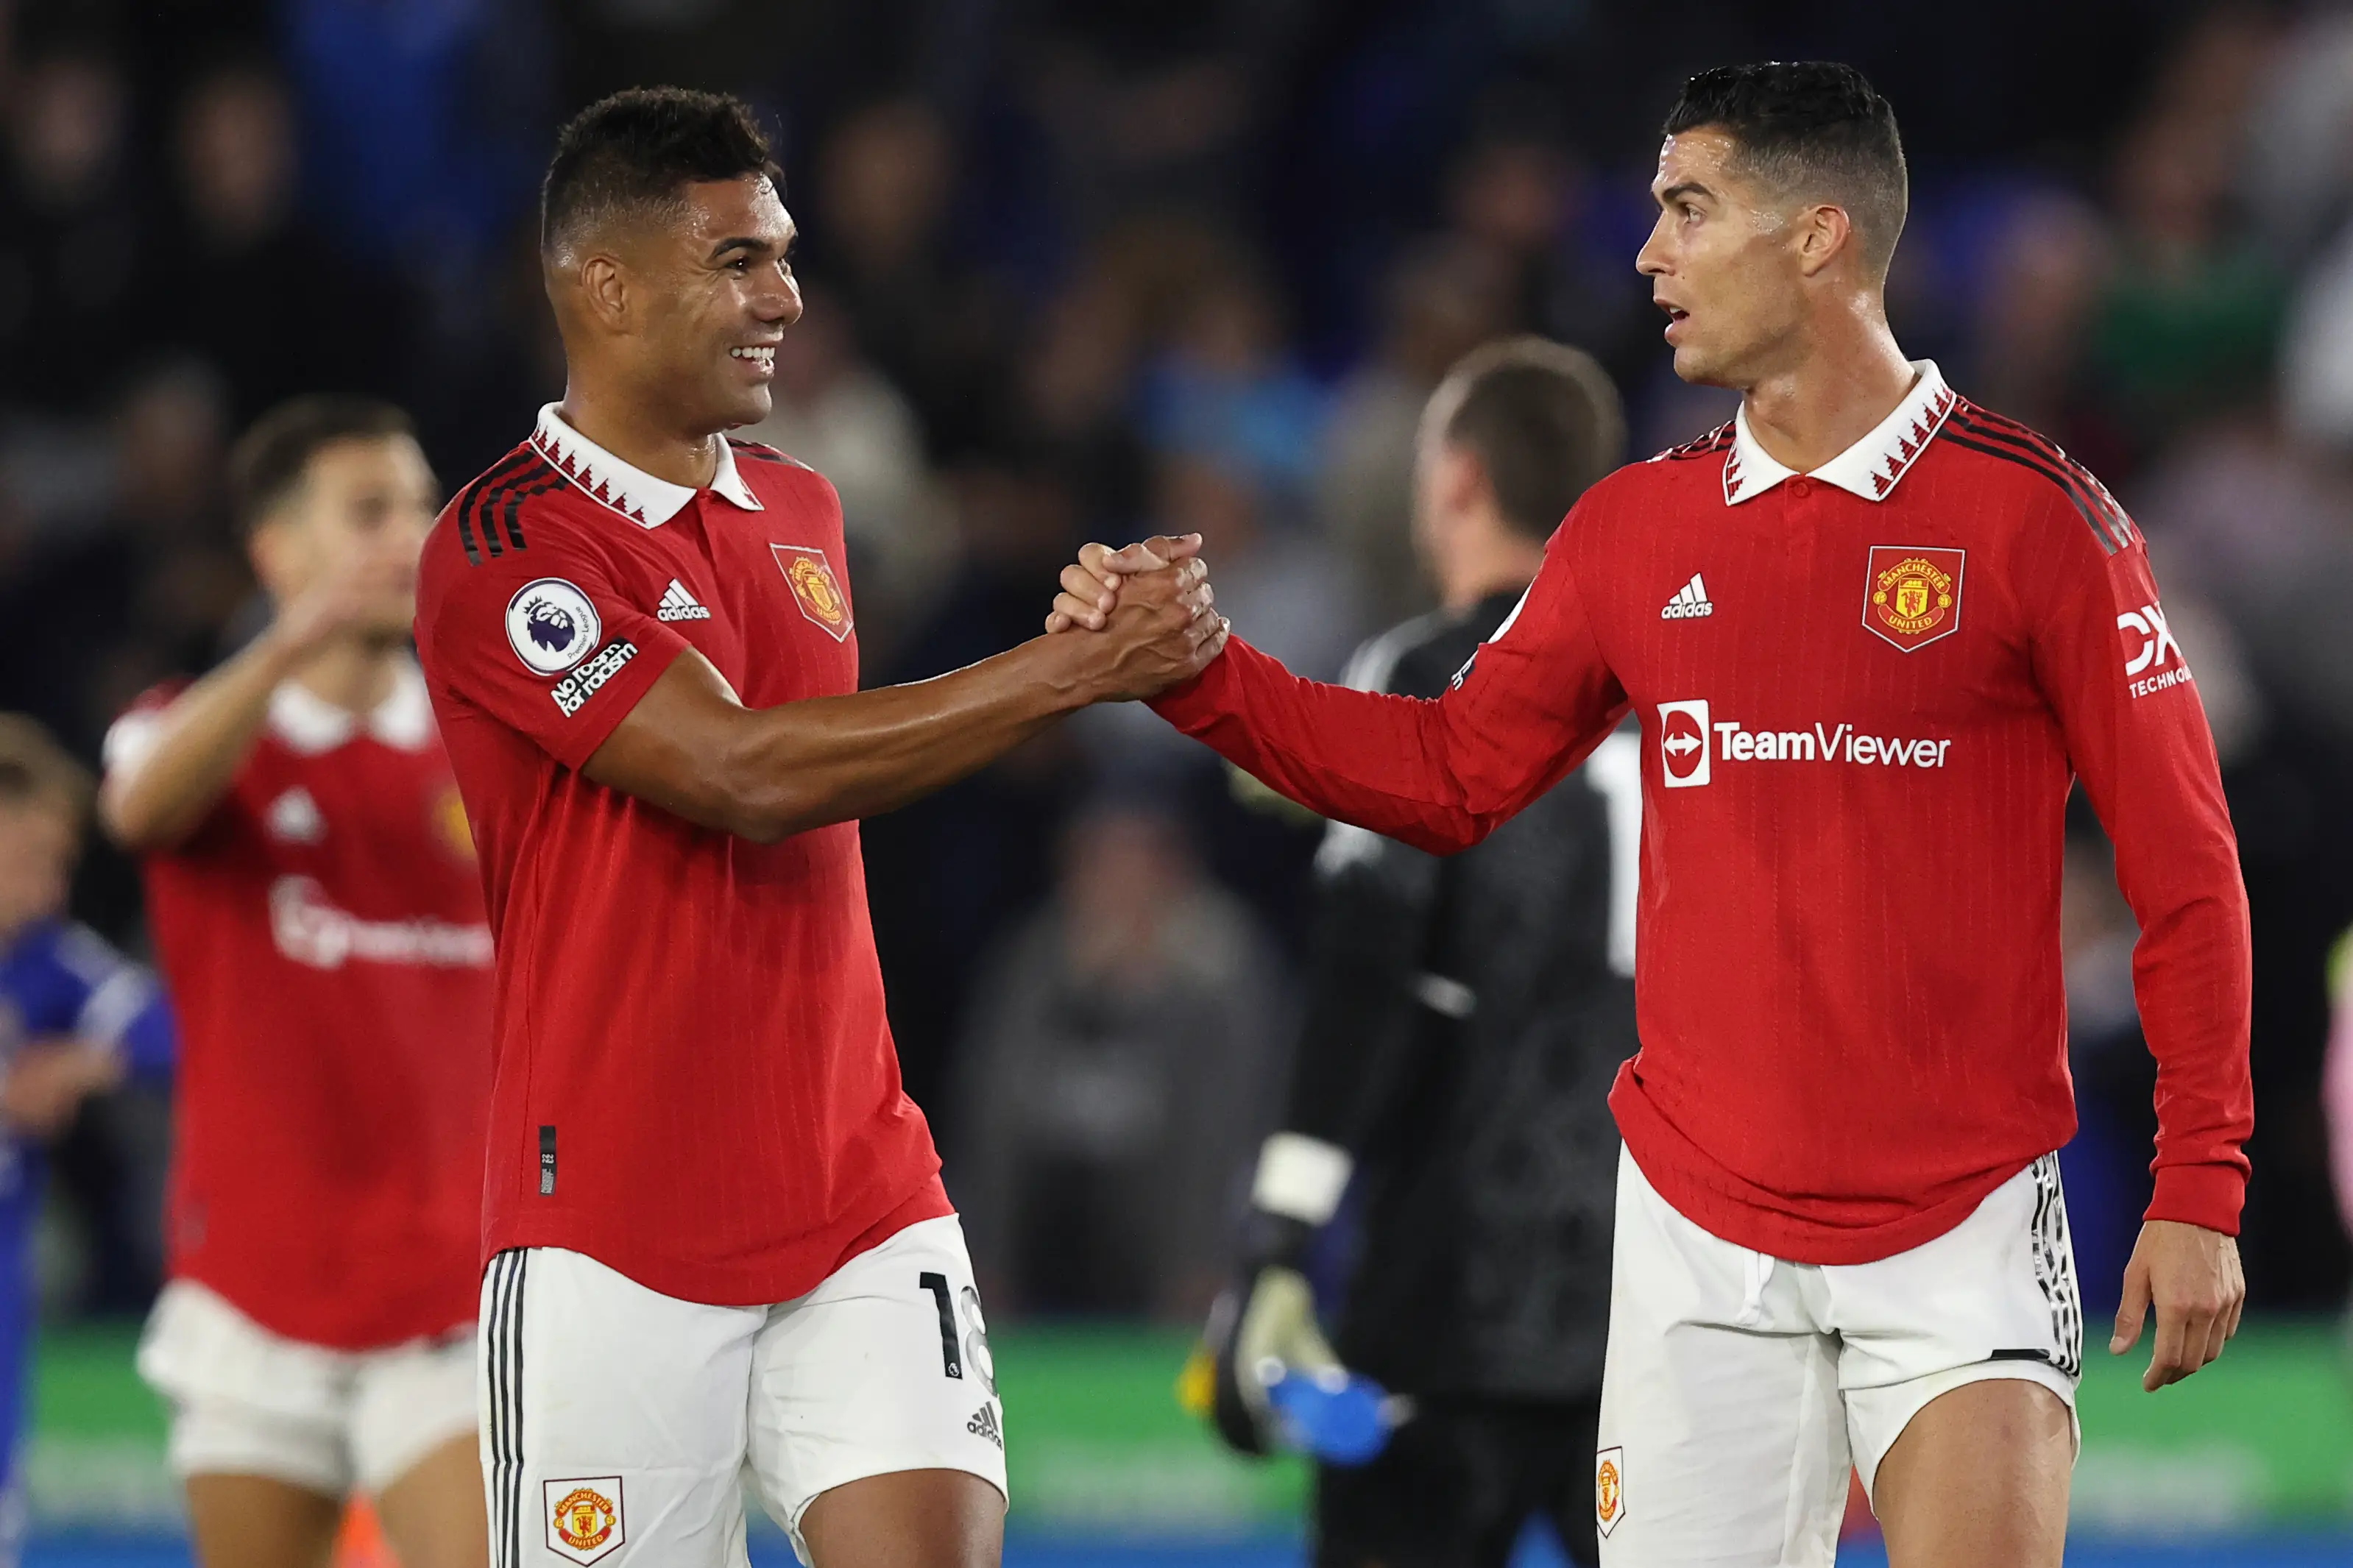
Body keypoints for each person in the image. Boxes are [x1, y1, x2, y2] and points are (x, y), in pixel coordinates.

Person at [1052, 63, 2251, 1568]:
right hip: (1694, 1243)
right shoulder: (1631, 530)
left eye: (1685, 208)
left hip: (1952, 1235)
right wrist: (1204, 678)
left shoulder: (2035, 518)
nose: (1645, 254)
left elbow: (2185, 870)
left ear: (1815, 236)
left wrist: (2198, 1181)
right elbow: (1446, 772)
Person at [407, 88, 1218, 1568]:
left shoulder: (804, 511)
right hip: (611, 1236)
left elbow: (824, 772)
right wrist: (1071, 669)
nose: (785, 295)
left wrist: (1064, 654)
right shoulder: (502, 549)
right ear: (605, 284)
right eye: (737, 261)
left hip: (857, 1195)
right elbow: (741, 773)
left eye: (782, 254)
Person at [1195, 338, 1637, 1568]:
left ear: (1453, 479)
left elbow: (1364, 975)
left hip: (1450, 1293)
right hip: (1660, 1301)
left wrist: (1276, 1241)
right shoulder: (1675, 689)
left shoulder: (1425, 681)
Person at [100, 397, 494, 1568]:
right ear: (275, 551)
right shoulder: (193, 734)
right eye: (371, 509)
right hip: (254, 1292)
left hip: (452, 1302)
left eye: (422, 505)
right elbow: (136, 807)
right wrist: (284, 644)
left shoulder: (494, 753)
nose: (410, 533)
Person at [0, 717, 174, 1568]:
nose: (54, 888)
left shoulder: (48, 965)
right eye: (36, 859)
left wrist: (76, 1064)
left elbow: (164, 1023)